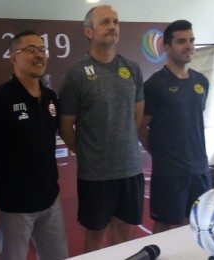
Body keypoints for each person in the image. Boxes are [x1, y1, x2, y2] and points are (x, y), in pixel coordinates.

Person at [58, 5, 145, 253]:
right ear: (88, 32)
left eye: (116, 22)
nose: (112, 27)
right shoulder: (76, 74)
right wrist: (88, 153)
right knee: (96, 237)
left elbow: (137, 117)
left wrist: (123, 143)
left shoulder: (133, 69)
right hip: (95, 175)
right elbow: (65, 127)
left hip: (130, 170)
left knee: (125, 234)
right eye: (105, 22)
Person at [0, 30, 68, 260]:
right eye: (31, 50)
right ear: (13, 57)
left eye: (42, 50)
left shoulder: (51, 97)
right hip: (13, 206)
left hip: (50, 199)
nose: (39, 55)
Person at [138, 20, 211, 234]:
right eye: (181, 41)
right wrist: (161, 154)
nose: (188, 46)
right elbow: (141, 127)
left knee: (201, 226)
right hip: (169, 173)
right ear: (167, 48)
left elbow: (193, 122)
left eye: (191, 40)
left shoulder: (202, 82)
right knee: (165, 227)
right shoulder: (154, 85)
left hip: (200, 169)